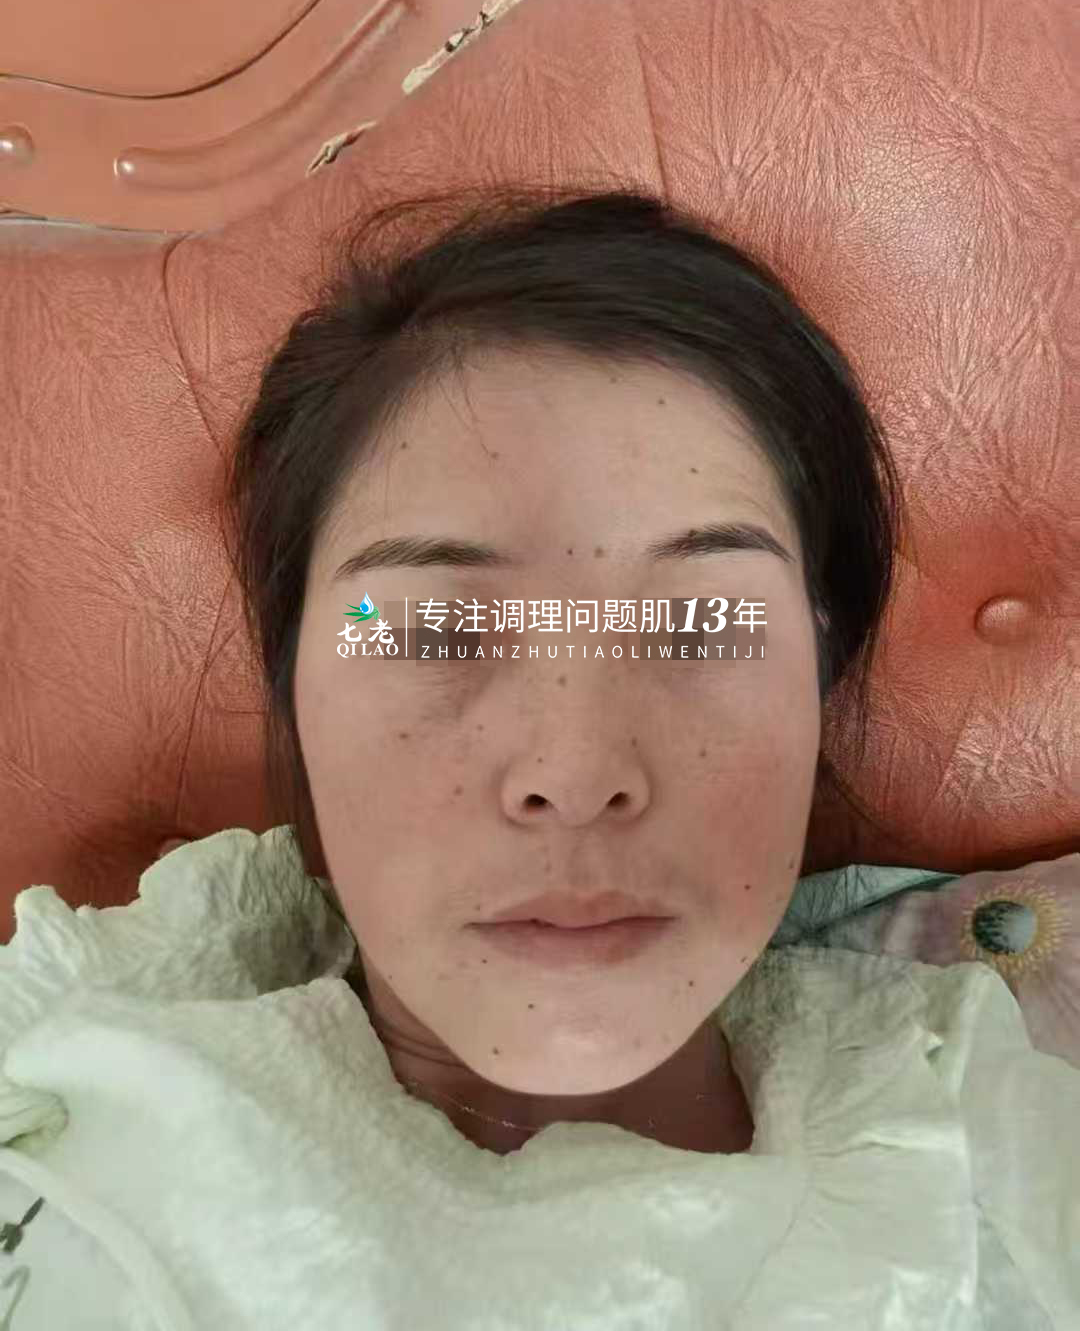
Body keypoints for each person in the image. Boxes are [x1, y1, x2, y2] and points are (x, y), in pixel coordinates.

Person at [0, 185, 1075, 1328]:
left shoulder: (997, 1142)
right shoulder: (72, 1141)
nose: (573, 770)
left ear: (820, 674)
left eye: (701, 624)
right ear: (295, 683)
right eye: (432, 632)